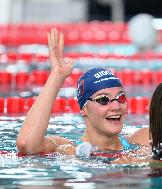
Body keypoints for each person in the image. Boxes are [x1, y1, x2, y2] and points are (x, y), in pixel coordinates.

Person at [16, 28, 138, 157]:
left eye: (121, 97)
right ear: (84, 109)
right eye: (103, 100)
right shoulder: (67, 150)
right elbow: (26, 144)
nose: (116, 106)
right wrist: (56, 76)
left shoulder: (142, 141)